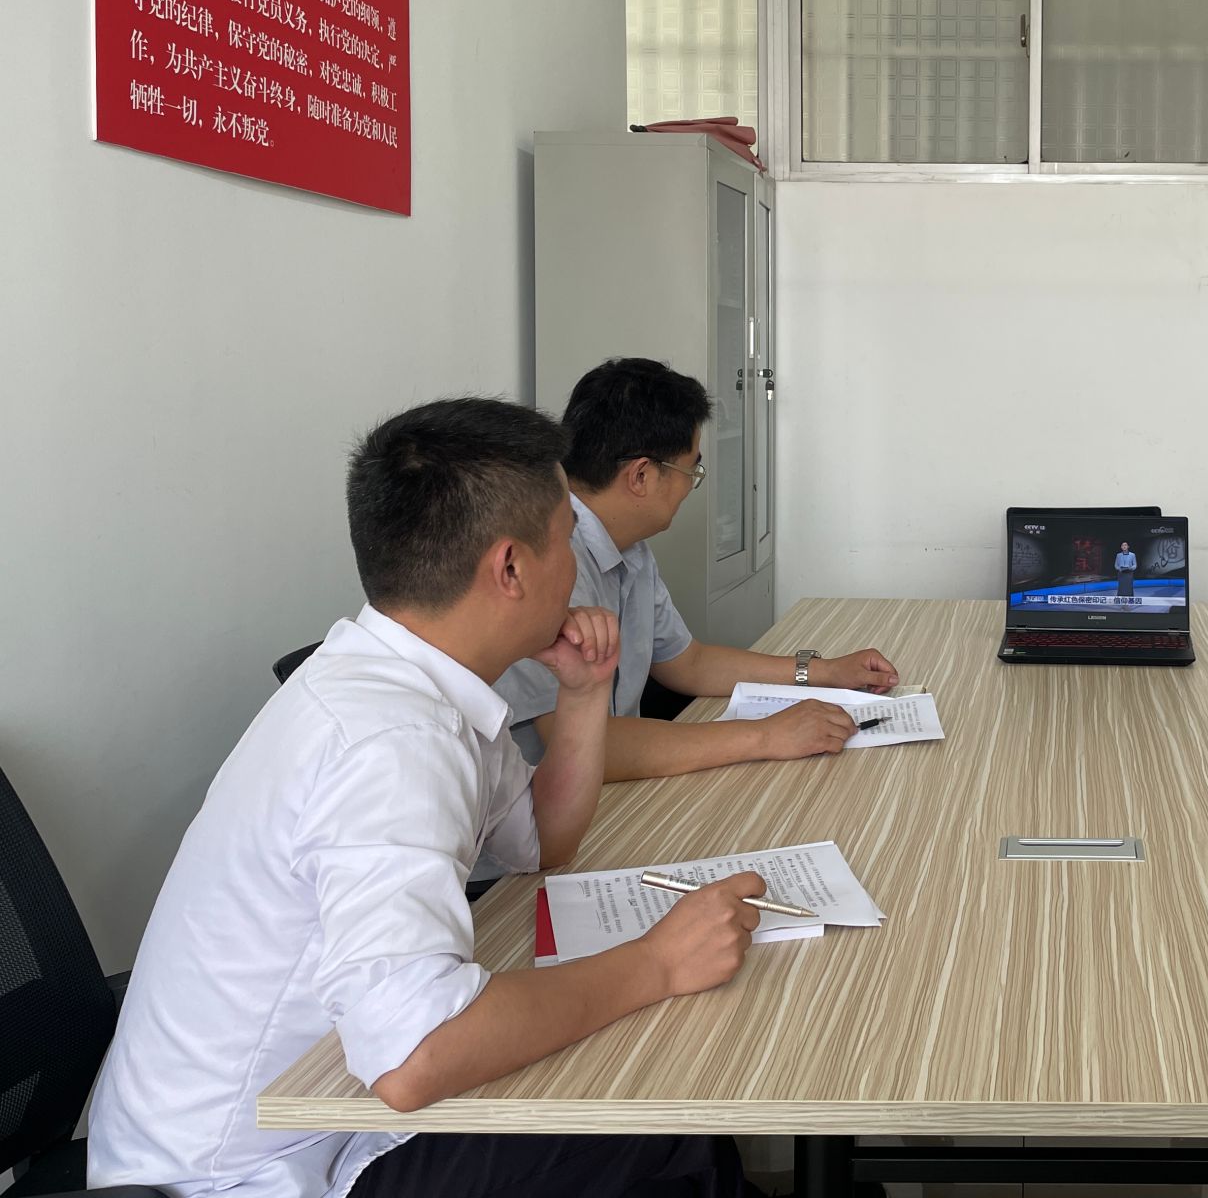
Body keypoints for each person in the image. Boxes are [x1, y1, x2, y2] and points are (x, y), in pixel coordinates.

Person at [89, 398, 767, 1198]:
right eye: (563, 539)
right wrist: (656, 962)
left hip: (317, 1102)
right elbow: (415, 1058)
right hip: (248, 1173)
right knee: (661, 1118)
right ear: (511, 569)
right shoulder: (392, 743)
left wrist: (585, 696)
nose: (575, 564)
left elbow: (542, 841)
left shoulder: (401, 679)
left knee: (637, 1071)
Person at [495, 358, 900, 780]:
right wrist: (765, 735)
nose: (692, 484)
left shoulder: (630, 549)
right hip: (546, 807)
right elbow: (573, 747)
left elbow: (689, 663)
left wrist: (824, 672)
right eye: (691, 469)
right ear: (641, 476)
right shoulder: (544, 563)